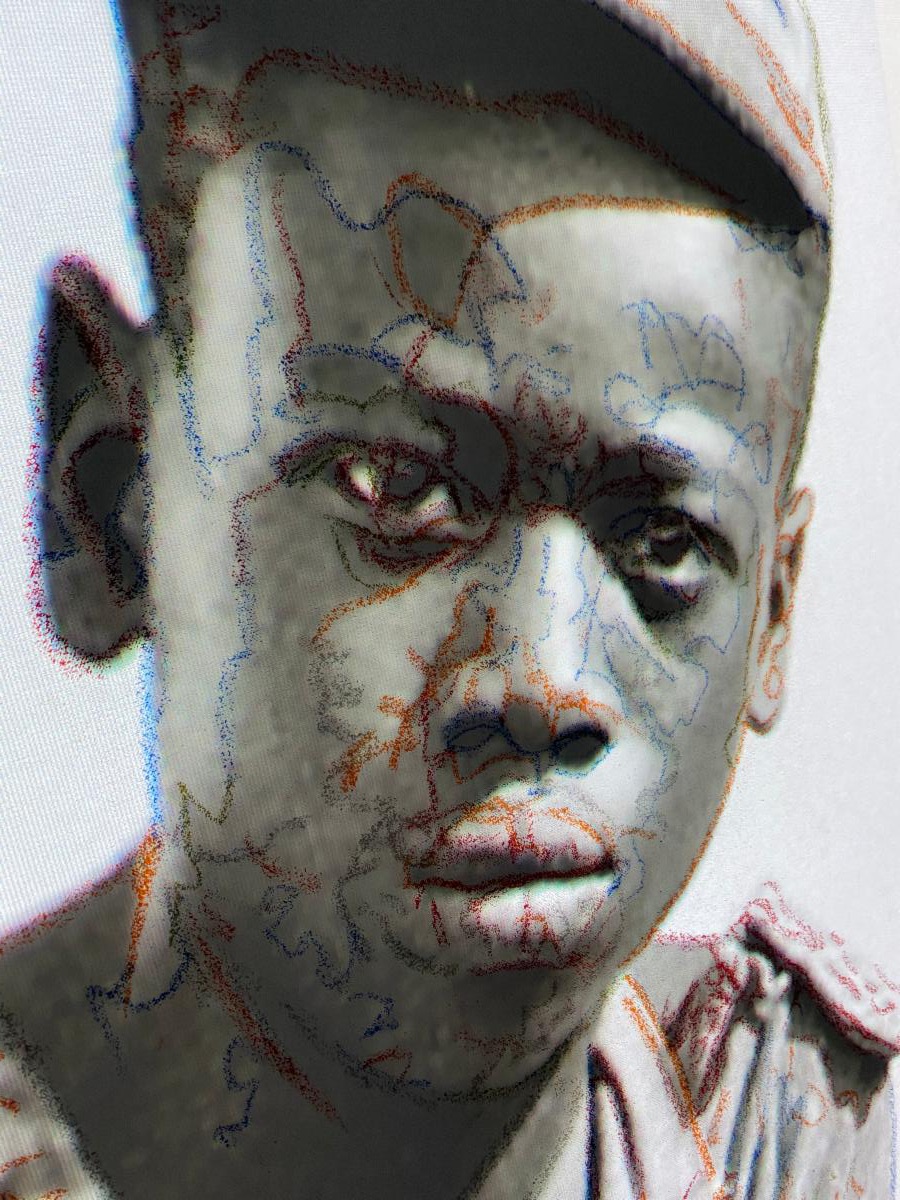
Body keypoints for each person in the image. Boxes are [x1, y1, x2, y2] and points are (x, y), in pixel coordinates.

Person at [0, 0, 896, 1196]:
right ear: (113, 500)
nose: (541, 679)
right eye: (396, 488)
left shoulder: (817, 1147)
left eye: (663, 539)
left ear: (773, 613)